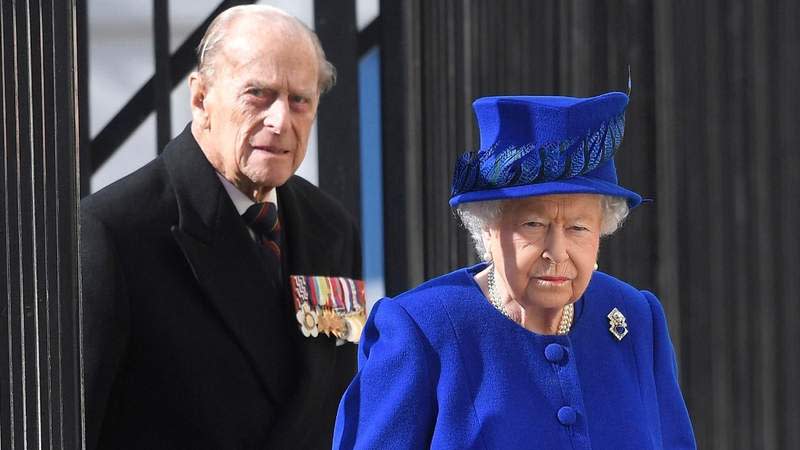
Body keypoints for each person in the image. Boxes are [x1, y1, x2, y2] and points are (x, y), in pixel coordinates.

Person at [333, 92, 696, 449]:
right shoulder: (421, 330)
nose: (557, 252)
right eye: (534, 225)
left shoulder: (635, 318)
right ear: (488, 228)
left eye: (579, 228)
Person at [81, 5, 364, 449]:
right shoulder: (116, 230)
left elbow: (339, 399)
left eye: (299, 101)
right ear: (201, 99)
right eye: (258, 93)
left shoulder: (332, 228)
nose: (280, 121)